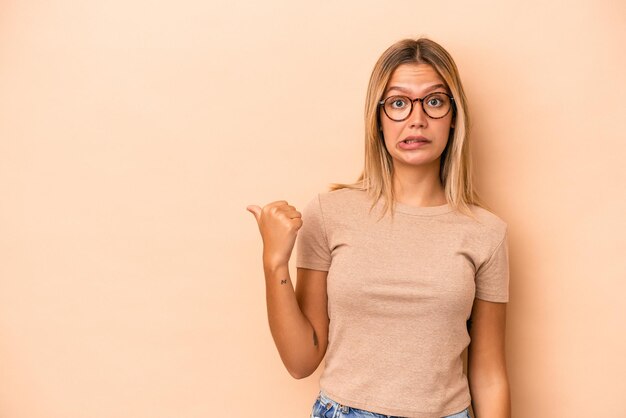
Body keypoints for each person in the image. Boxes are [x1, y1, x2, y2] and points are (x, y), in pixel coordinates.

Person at [247, 37, 511, 418]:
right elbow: (301, 360)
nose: (416, 119)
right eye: (399, 103)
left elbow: (489, 374)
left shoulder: (487, 232)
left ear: (454, 116)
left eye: (434, 101)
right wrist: (274, 263)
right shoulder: (329, 214)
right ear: (378, 117)